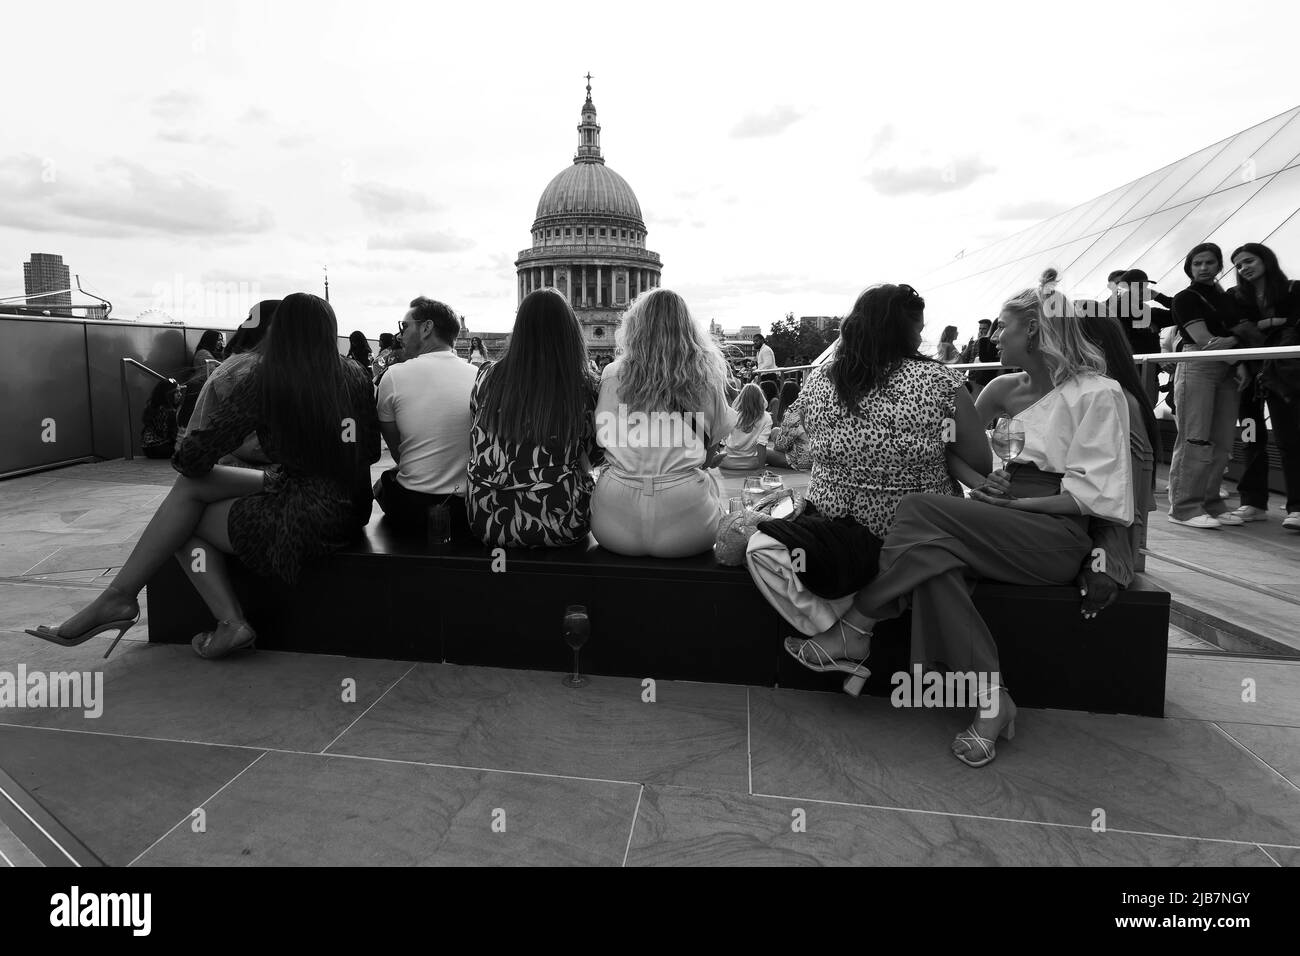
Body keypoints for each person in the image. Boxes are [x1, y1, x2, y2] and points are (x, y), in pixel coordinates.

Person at [786, 288, 1132, 768]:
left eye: (1002, 326)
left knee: (919, 511)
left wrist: (1017, 505)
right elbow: (950, 450)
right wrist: (982, 486)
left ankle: (858, 624)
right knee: (935, 564)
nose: (993, 335)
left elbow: (1096, 495)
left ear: (1032, 329)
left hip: (1053, 532)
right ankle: (993, 702)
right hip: (995, 516)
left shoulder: (1098, 392)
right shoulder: (1000, 389)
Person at [27, 293, 380, 659]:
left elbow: (193, 458)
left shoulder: (268, 377)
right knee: (189, 496)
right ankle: (118, 599)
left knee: (182, 521)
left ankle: (222, 621)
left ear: (279, 331)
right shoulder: (355, 374)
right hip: (351, 510)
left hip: (304, 517)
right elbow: (368, 450)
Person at [591, 288, 737, 558]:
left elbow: (603, 440)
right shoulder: (706, 379)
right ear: (688, 330)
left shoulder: (611, 375)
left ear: (634, 328)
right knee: (712, 487)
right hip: (688, 521)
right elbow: (710, 450)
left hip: (613, 521)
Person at [467, 289, 603, 547]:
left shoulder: (486, 376)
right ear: (570, 331)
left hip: (486, 517)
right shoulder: (583, 384)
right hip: (561, 521)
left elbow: (475, 430)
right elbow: (595, 454)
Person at [1076, 313, 1160, 618]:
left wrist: (1104, 565)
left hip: (1094, 550)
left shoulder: (1114, 399)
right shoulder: (1091, 393)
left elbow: (1125, 502)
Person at [374, 297, 478, 537]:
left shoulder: (393, 377)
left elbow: (398, 451)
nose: (399, 335)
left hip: (412, 510)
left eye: (405, 326)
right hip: (467, 508)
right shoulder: (478, 377)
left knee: (383, 483)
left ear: (427, 328)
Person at [1166, 243, 1250, 529]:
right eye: (1197, 263)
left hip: (1227, 367)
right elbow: (1204, 340)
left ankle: (1212, 502)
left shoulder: (1226, 298)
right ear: (1189, 267)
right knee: (1195, 439)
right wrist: (1235, 349)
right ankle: (1184, 507)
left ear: (1219, 266)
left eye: (1210, 263)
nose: (1203, 268)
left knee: (1222, 441)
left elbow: (1238, 332)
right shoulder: (1185, 298)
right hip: (1199, 366)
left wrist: (1235, 355)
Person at [1228, 243, 1300, 530]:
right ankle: (1253, 501)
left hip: (1283, 376)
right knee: (1250, 437)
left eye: (1249, 261)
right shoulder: (1235, 297)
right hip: (1249, 377)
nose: (1244, 268)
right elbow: (1232, 330)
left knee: (1289, 439)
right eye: (1238, 265)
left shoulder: (1294, 290)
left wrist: (1265, 323)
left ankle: (1297, 506)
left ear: (1265, 260)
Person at [181, 300, 281, 467]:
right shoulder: (250, 369)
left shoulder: (240, 362)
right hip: (227, 468)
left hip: (214, 464)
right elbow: (251, 445)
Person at [178, 330, 226, 428]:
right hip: (198, 389)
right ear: (210, 340)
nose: (220, 343)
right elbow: (213, 371)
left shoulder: (210, 353)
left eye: (221, 340)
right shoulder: (203, 353)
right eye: (218, 340)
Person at [720, 383, 772, 471]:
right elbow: (761, 444)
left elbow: (721, 437)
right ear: (760, 397)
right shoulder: (766, 417)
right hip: (752, 464)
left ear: (741, 398)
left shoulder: (732, 414)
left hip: (727, 462)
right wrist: (761, 469)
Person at [141, 378, 182, 459]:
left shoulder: (152, 407)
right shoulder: (168, 411)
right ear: (167, 394)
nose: (180, 394)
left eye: (179, 391)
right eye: (176, 392)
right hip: (162, 447)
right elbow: (171, 435)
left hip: (146, 448)